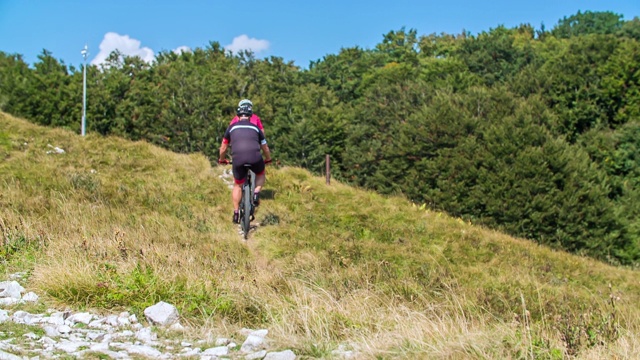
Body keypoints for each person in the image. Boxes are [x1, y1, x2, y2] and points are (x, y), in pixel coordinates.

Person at [218, 102, 272, 224]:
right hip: (255, 157)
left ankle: (236, 213)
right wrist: (268, 159)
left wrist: (222, 159)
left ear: (238, 115)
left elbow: (223, 148)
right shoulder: (256, 128)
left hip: (238, 158)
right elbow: (265, 148)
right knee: (260, 173)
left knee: (237, 185)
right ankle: (256, 193)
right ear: (250, 115)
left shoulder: (231, 127)